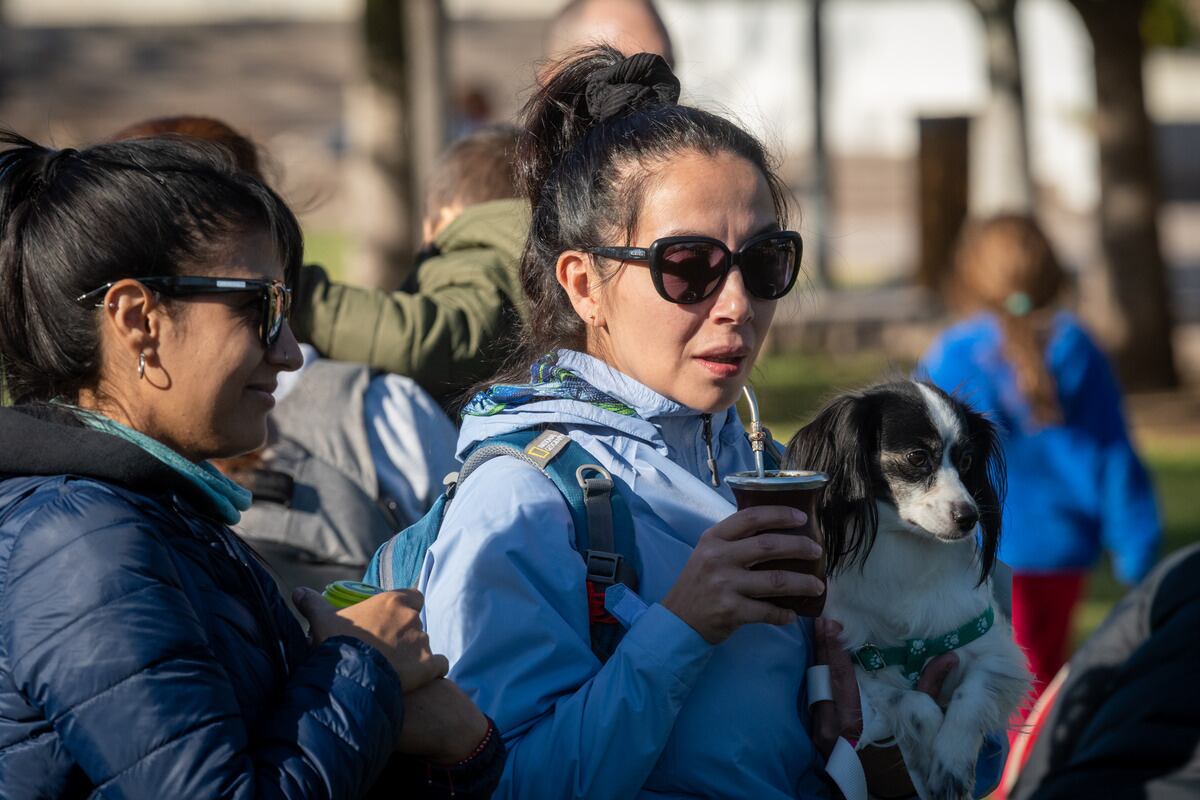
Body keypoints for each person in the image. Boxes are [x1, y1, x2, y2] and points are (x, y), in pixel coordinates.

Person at [413, 46, 996, 799]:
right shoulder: (521, 503)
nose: (736, 304)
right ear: (584, 283)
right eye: (687, 265)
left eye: (764, 263)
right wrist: (682, 627)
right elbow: (505, 788)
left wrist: (880, 742)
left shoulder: (770, 470)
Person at [0, 132, 502, 798]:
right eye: (260, 307)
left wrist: (444, 744)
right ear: (138, 320)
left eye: (287, 309)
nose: (292, 352)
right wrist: (362, 667)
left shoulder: (148, 517)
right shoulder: (84, 545)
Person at [111, 114, 528, 407]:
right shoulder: (518, 259)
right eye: (254, 300)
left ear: (445, 214)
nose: (286, 355)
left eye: (272, 298)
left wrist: (303, 296)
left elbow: (425, 337)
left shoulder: (478, 263)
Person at [919, 215, 1161, 702]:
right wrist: (1136, 551)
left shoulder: (954, 353)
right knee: (1036, 683)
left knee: (985, 684)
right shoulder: (1080, 348)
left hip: (977, 548)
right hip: (1061, 554)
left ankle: (1011, 778)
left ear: (971, 274)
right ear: (1051, 272)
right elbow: (1112, 455)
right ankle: (1026, 772)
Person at [1005, 543, 1200, 799]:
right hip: (1041, 557)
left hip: (1082, 784)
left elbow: (1086, 672)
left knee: (1032, 662)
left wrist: (1027, 790)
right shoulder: (1184, 576)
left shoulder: (1185, 573)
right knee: (1028, 661)